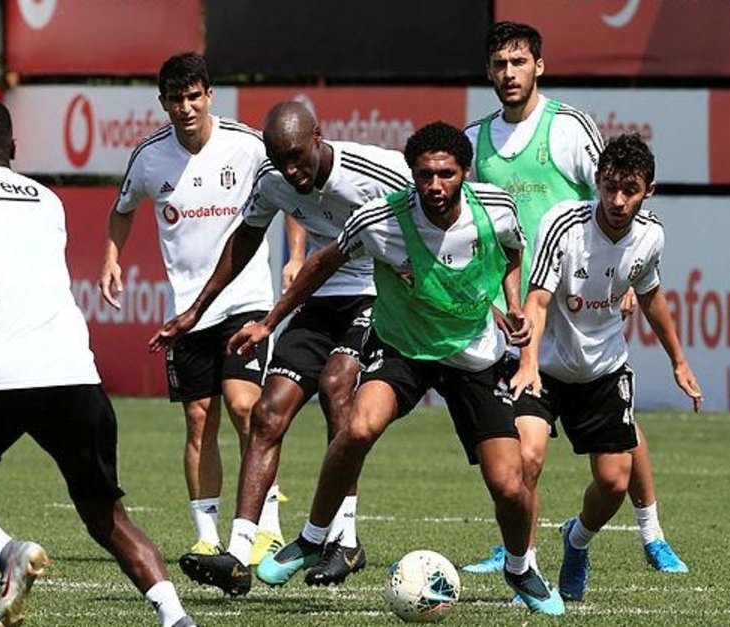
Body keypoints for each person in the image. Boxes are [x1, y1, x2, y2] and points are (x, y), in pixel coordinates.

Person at [230, 122, 565, 615]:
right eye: (425, 175)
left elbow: (512, 249)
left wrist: (513, 304)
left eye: (446, 174)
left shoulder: (496, 208)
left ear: (464, 173)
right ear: (412, 175)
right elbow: (321, 264)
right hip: (402, 348)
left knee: (509, 485)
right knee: (357, 428)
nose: (435, 185)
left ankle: (520, 567)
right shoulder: (378, 219)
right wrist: (269, 322)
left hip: (473, 356)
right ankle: (313, 538)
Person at [0, 97, 195, 627]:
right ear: (13, 147)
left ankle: (6, 551)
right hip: (74, 373)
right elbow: (0, 273)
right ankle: (175, 616)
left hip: (0, 378)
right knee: (107, 517)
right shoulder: (48, 201)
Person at [153, 101, 412, 595]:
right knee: (267, 413)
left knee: (337, 384)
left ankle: (344, 539)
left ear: (318, 136)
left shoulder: (377, 171)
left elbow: (439, 210)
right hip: (319, 297)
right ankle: (237, 554)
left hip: (376, 293)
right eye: (279, 159)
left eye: (297, 156)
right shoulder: (273, 179)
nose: (291, 171)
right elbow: (245, 239)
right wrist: (196, 311)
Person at [463, 20, 690, 574]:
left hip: (579, 292)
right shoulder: (474, 141)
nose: (509, 73)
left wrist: (622, 275)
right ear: (488, 71)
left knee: (619, 426)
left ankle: (652, 531)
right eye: (499, 64)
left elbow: (617, 188)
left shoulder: (567, 128)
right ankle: (519, 548)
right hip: (516, 308)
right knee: (522, 442)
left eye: (519, 62)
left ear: (539, 66)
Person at [99, 52, 281, 557]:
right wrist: (111, 259)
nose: (185, 108)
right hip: (187, 310)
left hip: (246, 298)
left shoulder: (247, 146)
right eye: (175, 99)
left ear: (209, 95)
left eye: (194, 96)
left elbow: (290, 193)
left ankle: (267, 525)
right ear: (163, 102)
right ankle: (206, 537)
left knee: (245, 407)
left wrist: (295, 256)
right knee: (199, 419)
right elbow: (122, 210)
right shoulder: (149, 157)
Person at [509, 133, 703, 602]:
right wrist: (528, 363)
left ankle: (576, 540)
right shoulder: (564, 225)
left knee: (614, 483)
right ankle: (525, 571)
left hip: (604, 370)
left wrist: (679, 361)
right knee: (527, 458)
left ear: (649, 190)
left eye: (629, 190)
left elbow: (651, 296)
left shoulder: (651, 236)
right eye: (610, 187)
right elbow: (537, 301)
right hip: (546, 369)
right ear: (596, 181)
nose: (617, 200)